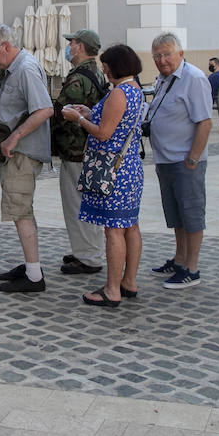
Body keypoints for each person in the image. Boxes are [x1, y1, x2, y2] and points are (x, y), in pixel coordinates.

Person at [63, 44, 147, 307]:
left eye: (105, 65)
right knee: (130, 226)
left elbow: (103, 133)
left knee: (114, 231)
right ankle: (128, 282)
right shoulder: (135, 90)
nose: (103, 69)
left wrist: (77, 119)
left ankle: (112, 290)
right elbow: (116, 123)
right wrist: (90, 113)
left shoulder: (119, 93)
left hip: (113, 171)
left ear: (114, 66)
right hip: (129, 166)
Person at [0, 22, 55, 294]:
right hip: (16, 151)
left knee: (20, 209)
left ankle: (34, 275)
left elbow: (44, 109)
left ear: (6, 46)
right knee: (21, 210)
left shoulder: (25, 69)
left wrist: (13, 138)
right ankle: (30, 266)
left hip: (23, 153)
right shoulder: (17, 68)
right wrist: (0, 135)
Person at [146, 32, 213, 290]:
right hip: (165, 159)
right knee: (176, 215)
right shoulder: (163, 80)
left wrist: (193, 159)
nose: (162, 60)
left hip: (185, 161)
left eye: (167, 54)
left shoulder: (194, 79)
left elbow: (204, 122)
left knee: (191, 214)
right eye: (157, 56)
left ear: (180, 54)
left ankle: (191, 268)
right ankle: (179, 259)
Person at [52, 28, 108, 276]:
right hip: (86, 148)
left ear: (81, 46)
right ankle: (86, 249)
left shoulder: (79, 77)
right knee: (86, 204)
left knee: (77, 205)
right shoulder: (94, 71)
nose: (68, 47)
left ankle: (88, 256)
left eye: (71, 43)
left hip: (77, 149)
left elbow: (62, 111)